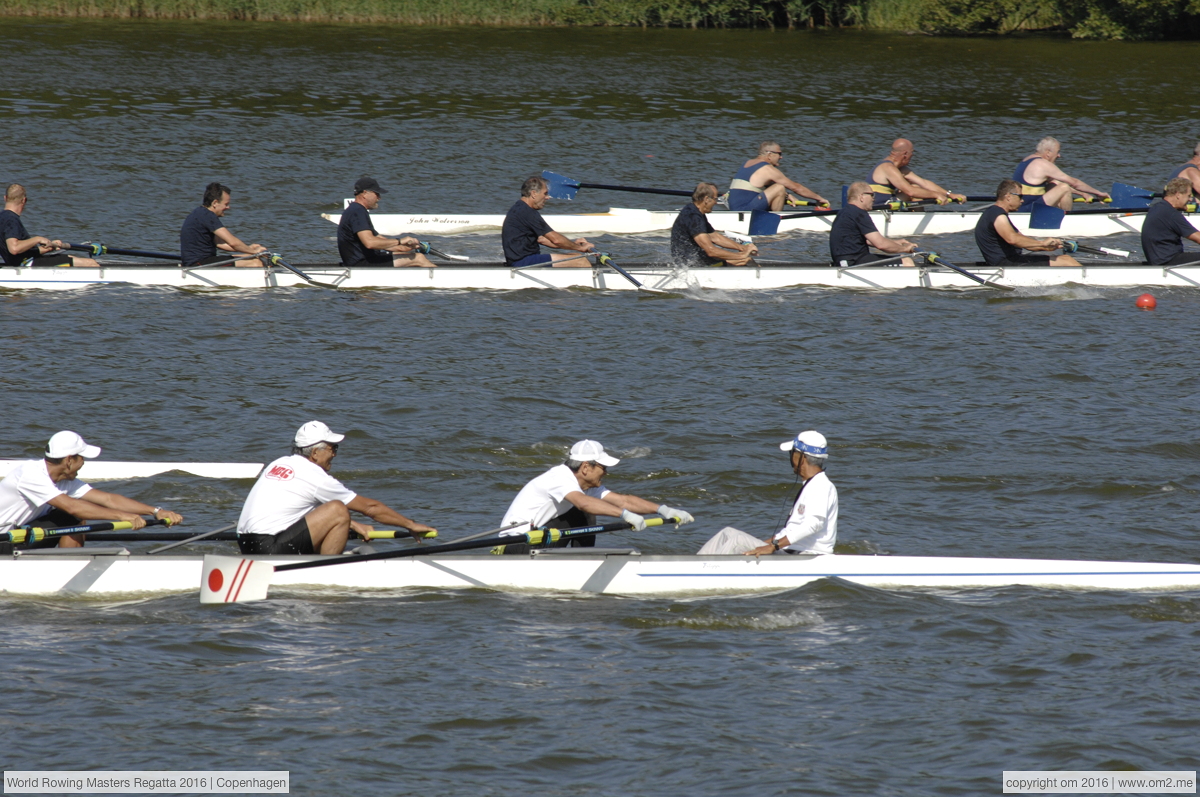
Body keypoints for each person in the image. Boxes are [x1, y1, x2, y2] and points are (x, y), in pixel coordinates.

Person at [236, 421, 436, 556]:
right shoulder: (316, 477)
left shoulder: (279, 463)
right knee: (339, 509)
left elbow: (296, 508)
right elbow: (371, 508)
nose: (335, 455)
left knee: (339, 513)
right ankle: (325, 570)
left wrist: (353, 524)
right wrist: (410, 524)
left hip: (246, 544)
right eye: (332, 449)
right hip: (269, 549)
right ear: (315, 453)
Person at [496, 440, 693, 555]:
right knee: (584, 512)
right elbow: (583, 503)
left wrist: (663, 510)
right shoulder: (559, 478)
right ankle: (581, 561)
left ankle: (579, 559)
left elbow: (624, 500)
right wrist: (625, 515)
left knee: (586, 512)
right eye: (603, 467)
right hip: (515, 545)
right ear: (585, 467)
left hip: (538, 540)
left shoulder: (585, 484)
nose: (606, 472)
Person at [0, 431, 184, 550]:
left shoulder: (64, 480)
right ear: (69, 460)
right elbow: (73, 508)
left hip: (19, 535)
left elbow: (109, 499)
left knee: (74, 517)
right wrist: (122, 516)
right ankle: (66, 569)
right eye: (83, 458)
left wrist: (156, 511)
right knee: (72, 516)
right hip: (4, 538)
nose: (84, 463)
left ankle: (69, 564)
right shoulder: (30, 474)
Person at [697, 431, 837, 556]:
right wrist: (763, 545)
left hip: (805, 557)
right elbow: (791, 531)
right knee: (727, 533)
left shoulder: (821, 486)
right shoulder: (811, 485)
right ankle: (696, 565)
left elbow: (814, 524)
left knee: (736, 541)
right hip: (790, 552)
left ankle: (703, 574)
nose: (790, 457)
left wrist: (773, 546)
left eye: (792, 452)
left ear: (802, 458)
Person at [974, 179, 1081, 268]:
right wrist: (1042, 243)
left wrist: (1049, 246)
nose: (1022, 201)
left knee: (1065, 259)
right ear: (1008, 196)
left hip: (1011, 262)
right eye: (1020, 196)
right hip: (1007, 265)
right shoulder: (997, 215)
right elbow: (1012, 239)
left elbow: (1024, 243)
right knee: (1067, 261)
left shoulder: (994, 213)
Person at [336, 177, 436, 268]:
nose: (379, 198)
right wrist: (400, 240)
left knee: (408, 255)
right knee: (418, 258)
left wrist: (409, 247)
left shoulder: (356, 210)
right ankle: (445, 281)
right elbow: (370, 243)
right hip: (360, 264)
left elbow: (381, 241)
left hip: (366, 259)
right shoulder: (357, 212)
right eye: (377, 194)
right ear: (365, 193)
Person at [502, 176, 595, 268]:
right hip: (523, 262)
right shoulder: (527, 212)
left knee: (574, 255)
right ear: (533, 193)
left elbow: (542, 240)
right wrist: (581, 248)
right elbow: (556, 240)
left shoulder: (520, 208)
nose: (547, 197)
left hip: (521, 260)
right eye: (545, 193)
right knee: (580, 260)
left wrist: (574, 245)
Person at [1, 184, 100, 269]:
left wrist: (50, 247)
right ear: (24, 200)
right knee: (90, 263)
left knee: (70, 258)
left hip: (24, 262)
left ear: (5, 198)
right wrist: (37, 239)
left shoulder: (3, 217)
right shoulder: (11, 219)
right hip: (28, 265)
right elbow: (14, 249)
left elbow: (21, 252)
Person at [180, 182, 268, 268]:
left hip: (200, 261)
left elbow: (219, 243)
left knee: (249, 256)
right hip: (199, 264)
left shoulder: (200, 212)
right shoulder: (208, 216)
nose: (228, 207)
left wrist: (248, 249)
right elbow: (233, 242)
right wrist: (255, 252)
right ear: (215, 203)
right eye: (226, 204)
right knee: (256, 263)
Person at [829, 182, 918, 267]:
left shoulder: (843, 212)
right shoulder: (859, 213)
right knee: (906, 261)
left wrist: (895, 243)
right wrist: (905, 249)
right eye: (872, 195)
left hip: (845, 261)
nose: (874, 198)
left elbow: (867, 240)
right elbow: (880, 244)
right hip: (855, 262)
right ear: (861, 197)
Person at [670, 183, 758, 267]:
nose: (716, 202)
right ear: (706, 199)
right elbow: (711, 251)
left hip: (700, 260)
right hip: (692, 265)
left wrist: (743, 248)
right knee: (746, 260)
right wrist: (741, 256)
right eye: (715, 199)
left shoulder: (695, 210)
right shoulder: (693, 217)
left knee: (745, 259)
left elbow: (715, 237)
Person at [1011, 136, 1109, 212]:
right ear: (1048, 152)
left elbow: (1056, 183)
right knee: (1064, 188)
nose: (1059, 155)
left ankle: (1057, 215)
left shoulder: (1027, 159)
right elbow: (1074, 183)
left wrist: (1082, 194)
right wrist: (1098, 193)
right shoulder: (1043, 164)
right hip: (1027, 209)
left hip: (1023, 205)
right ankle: (1065, 221)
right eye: (1058, 152)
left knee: (1054, 185)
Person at [727, 141, 828, 212]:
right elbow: (796, 187)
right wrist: (819, 199)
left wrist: (787, 195)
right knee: (780, 187)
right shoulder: (768, 169)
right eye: (779, 154)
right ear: (770, 155)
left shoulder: (747, 163)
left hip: (735, 209)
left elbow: (764, 185)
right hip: (745, 211)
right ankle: (776, 219)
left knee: (780, 189)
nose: (781, 157)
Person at [867, 138, 966, 205]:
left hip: (889, 201)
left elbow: (924, 183)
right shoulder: (888, 167)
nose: (912, 156)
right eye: (912, 153)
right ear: (905, 154)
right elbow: (910, 192)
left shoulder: (900, 169)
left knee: (917, 187)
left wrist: (950, 195)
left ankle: (917, 217)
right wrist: (936, 195)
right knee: (914, 190)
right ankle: (918, 219)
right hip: (879, 205)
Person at [1141, 177, 1200, 266]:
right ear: (1178, 194)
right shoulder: (1171, 213)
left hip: (1159, 260)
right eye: (1188, 196)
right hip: (1168, 262)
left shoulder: (1157, 208)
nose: (1190, 200)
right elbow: (1197, 238)